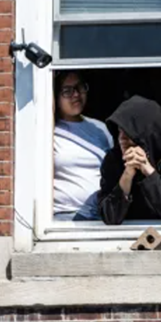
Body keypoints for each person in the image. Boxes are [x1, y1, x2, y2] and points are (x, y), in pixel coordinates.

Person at [98, 95, 161, 225]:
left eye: (128, 132)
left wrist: (148, 171)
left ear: (145, 133)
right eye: (119, 132)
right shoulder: (113, 161)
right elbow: (109, 218)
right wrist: (127, 176)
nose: (122, 139)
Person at [53, 71, 113, 222]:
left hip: (100, 216)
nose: (76, 94)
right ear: (55, 96)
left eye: (80, 87)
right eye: (67, 91)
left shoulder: (100, 128)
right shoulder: (49, 131)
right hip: (64, 216)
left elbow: (113, 170)